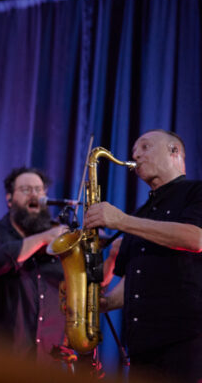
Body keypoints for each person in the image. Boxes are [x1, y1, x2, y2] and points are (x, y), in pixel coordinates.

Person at [86, 129, 202, 383]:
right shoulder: (140, 213)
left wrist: (122, 221)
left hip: (186, 343)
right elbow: (133, 281)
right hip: (141, 347)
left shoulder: (196, 192)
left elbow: (196, 238)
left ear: (174, 151)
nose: (136, 155)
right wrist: (102, 303)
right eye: (134, 152)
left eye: (145, 147)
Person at [0, 167, 68, 362]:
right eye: (26, 189)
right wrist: (43, 238)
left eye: (39, 190)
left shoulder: (57, 241)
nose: (35, 194)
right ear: (9, 199)